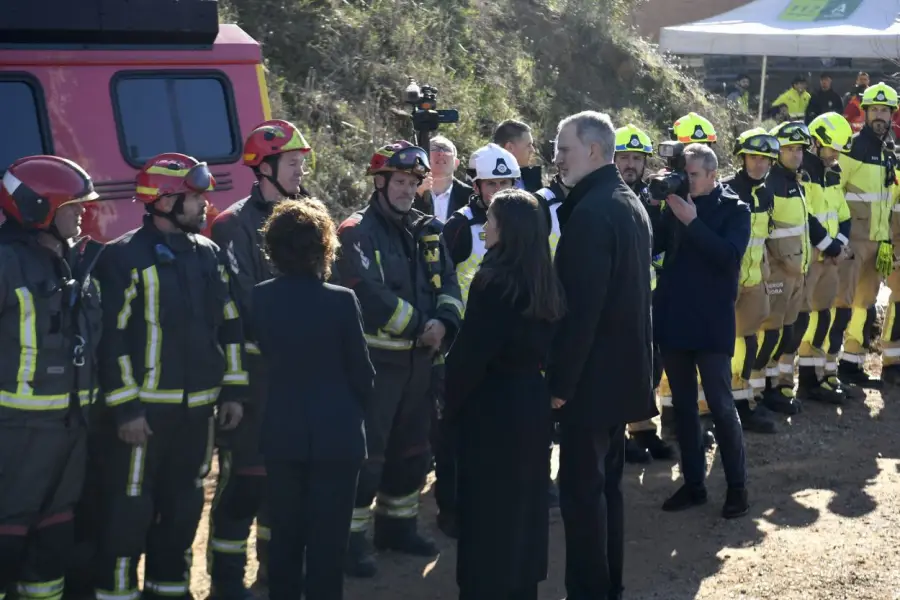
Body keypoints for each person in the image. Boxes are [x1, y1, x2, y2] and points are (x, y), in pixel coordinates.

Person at [92, 153, 247, 600]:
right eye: (194, 197)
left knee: (181, 515)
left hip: (198, 416)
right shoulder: (122, 258)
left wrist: (233, 390)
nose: (204, 205)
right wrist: (126, 409)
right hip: (143, 420)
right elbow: (112, 341)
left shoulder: (210, 255)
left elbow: (231, 324)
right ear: (162, 202)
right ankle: (117, 594)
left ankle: (169, 592)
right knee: (128, 514)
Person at [335, 141, 463, 577]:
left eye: (414, 182)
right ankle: (349, 542)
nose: (409, 190)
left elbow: (448, 281)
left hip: (421, 367)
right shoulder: (355, 231)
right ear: (381, 182)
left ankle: (398, 528)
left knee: (412, 452)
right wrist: (418, 327)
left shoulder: (428, 228)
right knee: (367, 459)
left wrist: (444, 321)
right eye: (402, 182)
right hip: (377, 369)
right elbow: (363, 291)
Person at [547, 111, 656, 600]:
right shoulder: (626, 202)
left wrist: (559, 387)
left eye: (563, 149)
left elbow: (581, 312)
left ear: (593, 151)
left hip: (590, 386)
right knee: (607, 491)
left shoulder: (592, 213)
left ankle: (590, 591)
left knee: (583, 496)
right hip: (620, 379)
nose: (556, 159)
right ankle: (607, 586)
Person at [207, 118, 311, 600]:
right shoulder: (232, 225)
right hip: (253, 377)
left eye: (300, 163)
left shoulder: (309, 215)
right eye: (292, 163)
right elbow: (245, 302)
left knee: (285, 486)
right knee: (243, 485)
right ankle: (228, 581)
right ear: (264, 167)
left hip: (297, 380)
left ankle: (277, 572)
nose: (299, 171)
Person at [445, 188, 564, 600]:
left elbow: (469, 356)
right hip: (531, 403)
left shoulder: (492, 281)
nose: (485, 229)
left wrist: (447, 406)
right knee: (526, 509)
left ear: (507, 230)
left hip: (492, 408)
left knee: (487, 512)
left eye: (491, 221)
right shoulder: (544, 278)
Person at [253, 199, 374, 600]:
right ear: (324, 247)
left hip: (283, 435)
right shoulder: (341, 300)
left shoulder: (260, 299)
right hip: (337, 439)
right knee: (328, 548)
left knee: (285, 541)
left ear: (273, 247)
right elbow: (363, 374)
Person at [0, 156, 103, 600]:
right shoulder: (6, 265)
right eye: (73, 206)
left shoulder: (75, 264)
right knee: (8, 537)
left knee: (55, 538)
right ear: (37, 207)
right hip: (18, 435)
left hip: (71, 430)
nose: (82, 214)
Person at [654, 143, 750, 519]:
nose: (685, 180)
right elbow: (656, 246)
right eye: (682, 174)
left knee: (721, 405)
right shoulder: (674, 203)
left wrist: (692, 221)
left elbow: (728, 256)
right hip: (675, 317)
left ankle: (737, 487)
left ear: (712, 175)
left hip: (711, 321)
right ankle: (694, 484)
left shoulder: (734, 209)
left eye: (692, 175)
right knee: (683, 406)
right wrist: (658, 205)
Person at [432, 143, 519, 537]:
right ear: (476, 184)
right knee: (453, 430)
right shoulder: (458, 226)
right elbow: (443, 283)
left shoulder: (523, 223)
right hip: (463, 346)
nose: (499, 190)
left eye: (506, 181)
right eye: (492, 183)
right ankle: (450, 508)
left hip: (506, 347)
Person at [612, 124, 675, 463]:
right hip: (616, 297)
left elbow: (662, 242)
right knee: (618, 364)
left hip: (648, 295)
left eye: (637, 158)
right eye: (624, 158)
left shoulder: (653, 198)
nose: (631, 165)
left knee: (649, 364)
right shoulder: (605, 195)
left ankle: (642, 429)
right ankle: (615, 434)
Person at [835, 83, 899, 387]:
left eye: (884, 111)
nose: (879, 116)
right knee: (840, 305)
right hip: (852, 244)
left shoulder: (889, 153)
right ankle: (820, 371)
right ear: (866, 112)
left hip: (877, 244)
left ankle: (851, 364)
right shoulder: (851, 149)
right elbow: (834, 193)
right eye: (874, 110)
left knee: (866, 304)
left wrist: (887, 239)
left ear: (891, 115)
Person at [720, 128, 779, 434]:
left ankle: (742, 405)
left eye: (766, 159)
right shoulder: (726, 190)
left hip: (754, 281)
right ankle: (717, 409)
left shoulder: (767, 193)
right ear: (742, 158)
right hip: (725, 283)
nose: (760, 164)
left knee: (748, 341)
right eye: (754, 157)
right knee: (721, 347)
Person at [795, 112, 855, 404]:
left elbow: (843, 215)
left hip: (830, 258)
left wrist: (840, 244)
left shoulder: (832, 172)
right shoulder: (802, 172)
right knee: (799, 318)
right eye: (830, 149)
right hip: (810, 258)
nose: (834, 156)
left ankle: (811, 378)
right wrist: (830, 246)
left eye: (837, 151)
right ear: (815, 143)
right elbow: (805, 216)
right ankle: (783, 382)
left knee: (823, 316)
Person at [753, 122, 812, 417]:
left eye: (799, 149)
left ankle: (774, 386)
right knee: (769, 334)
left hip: (796, 272)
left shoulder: (794, 182)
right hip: (776, 274)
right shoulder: (771, 183)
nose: (796, 155)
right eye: (789, 149)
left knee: (789, 332)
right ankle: (754, 393)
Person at [413, 135, 474, 221]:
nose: (441, 153)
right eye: (434, 149)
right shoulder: (411, 191)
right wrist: (417, 194)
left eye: (446, 149)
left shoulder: (470, 196)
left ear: (456, 163)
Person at [492, 120, 542, 192]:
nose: (533, 150)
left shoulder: (532, 178)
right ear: (510, 147)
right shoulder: (484, 180)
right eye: (529, 145)